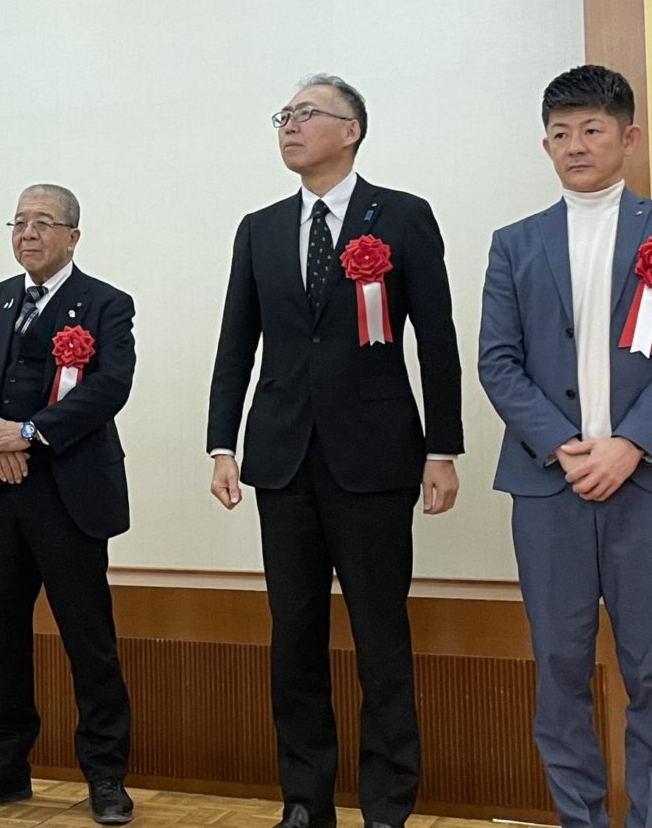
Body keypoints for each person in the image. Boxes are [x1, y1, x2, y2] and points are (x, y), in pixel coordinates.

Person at [206, 75, 463, 828]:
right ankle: (304, 800)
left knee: (381, 636)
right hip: (282, 458)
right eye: (284, 115)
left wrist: (442, 447)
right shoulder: (259, 227)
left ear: (351, 130)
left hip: (376, 459)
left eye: (306, 114)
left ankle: (386, 804)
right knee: (294, 637)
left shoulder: (403, 215)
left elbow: (437, 338)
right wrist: (222, 443)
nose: (289, 125)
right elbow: (236, 343)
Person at [478, 65, 652, 828]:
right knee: (559, 665)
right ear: (545, 143)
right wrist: (563, 444)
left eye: (591, 129)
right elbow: (497, 362)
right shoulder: (515, 243)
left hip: (648, 483)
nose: (574, 144)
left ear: (627, 136)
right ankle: (579, 817)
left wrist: (630, 445)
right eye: (560, 132)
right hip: (549, 486)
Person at [0, 184, 136, 825]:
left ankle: (105, 775)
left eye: (43, 222)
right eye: (19, 222)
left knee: (89, 641)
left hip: (69, 499)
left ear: (73, 236)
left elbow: (110, 386)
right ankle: (4, 768)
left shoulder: (106, 303)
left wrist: (27, 433)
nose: (28, 233)